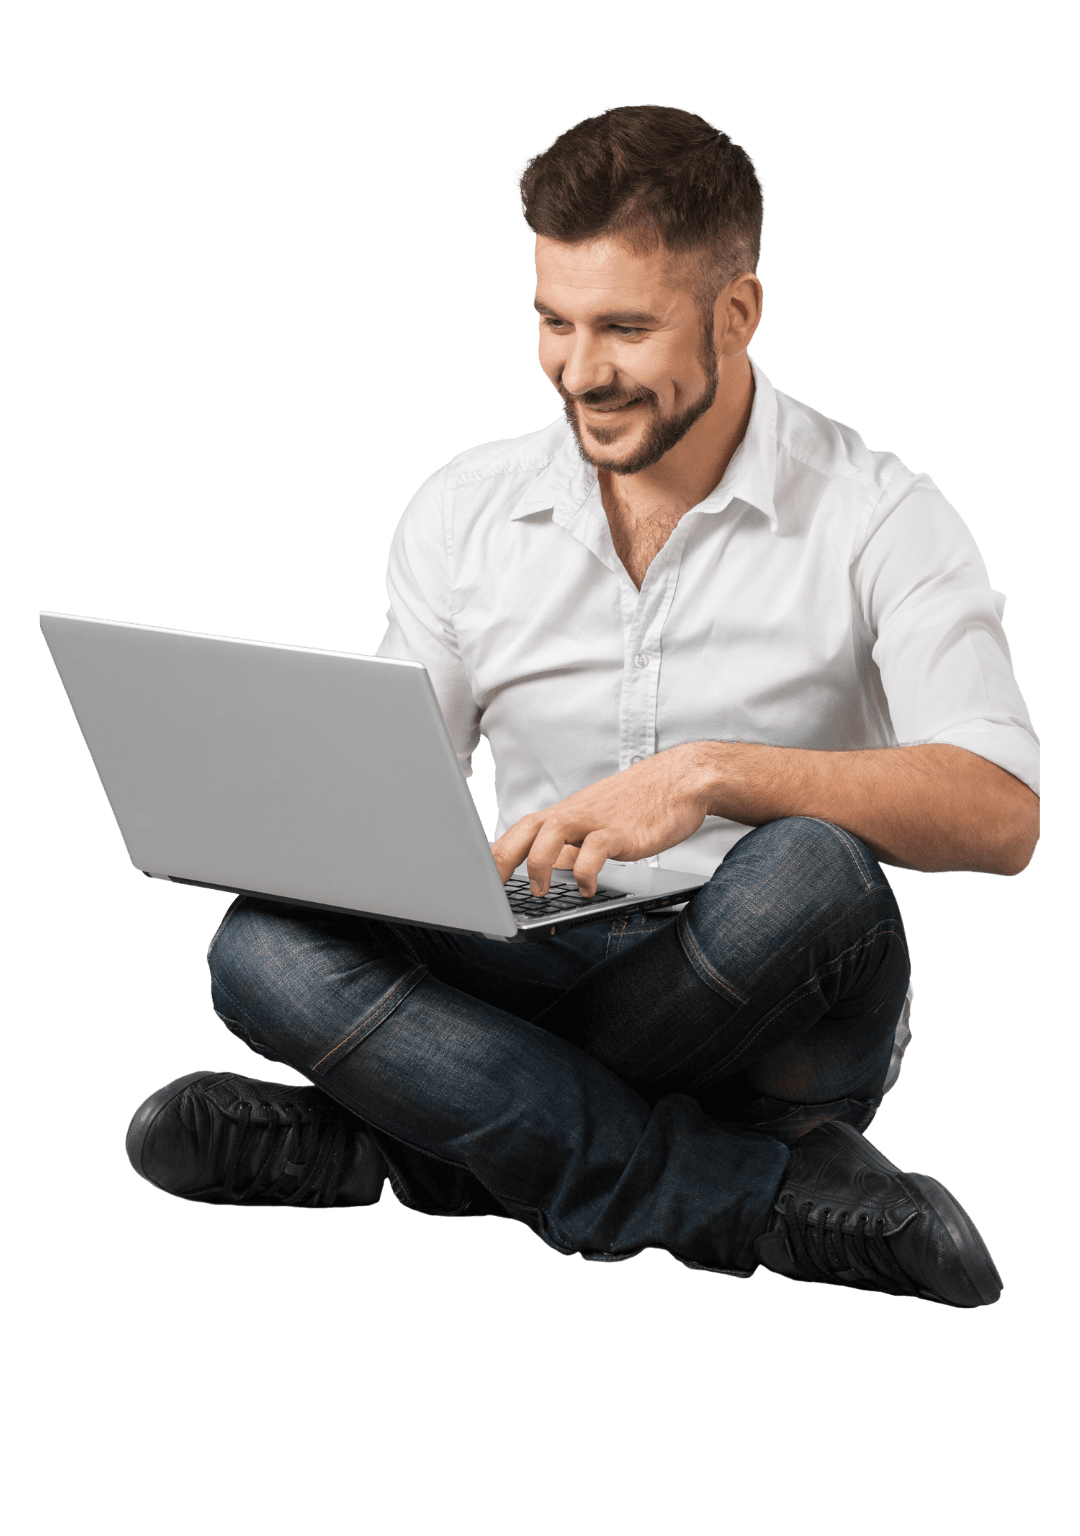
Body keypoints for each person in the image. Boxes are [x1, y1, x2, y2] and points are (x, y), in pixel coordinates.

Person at [126, 105, 1039, 1305]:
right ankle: (746, 1197)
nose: (580, 369)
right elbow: (392, 779)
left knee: (818, 871)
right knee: (259, 948)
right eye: (554, 322)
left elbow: (1001, 812)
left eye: (624, 327)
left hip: (758, 982)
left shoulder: (882, 516)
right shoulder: (466, 508)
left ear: (737, 312)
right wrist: (257, 819)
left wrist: (712, 774)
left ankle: (404, 1136)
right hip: (526, 948)